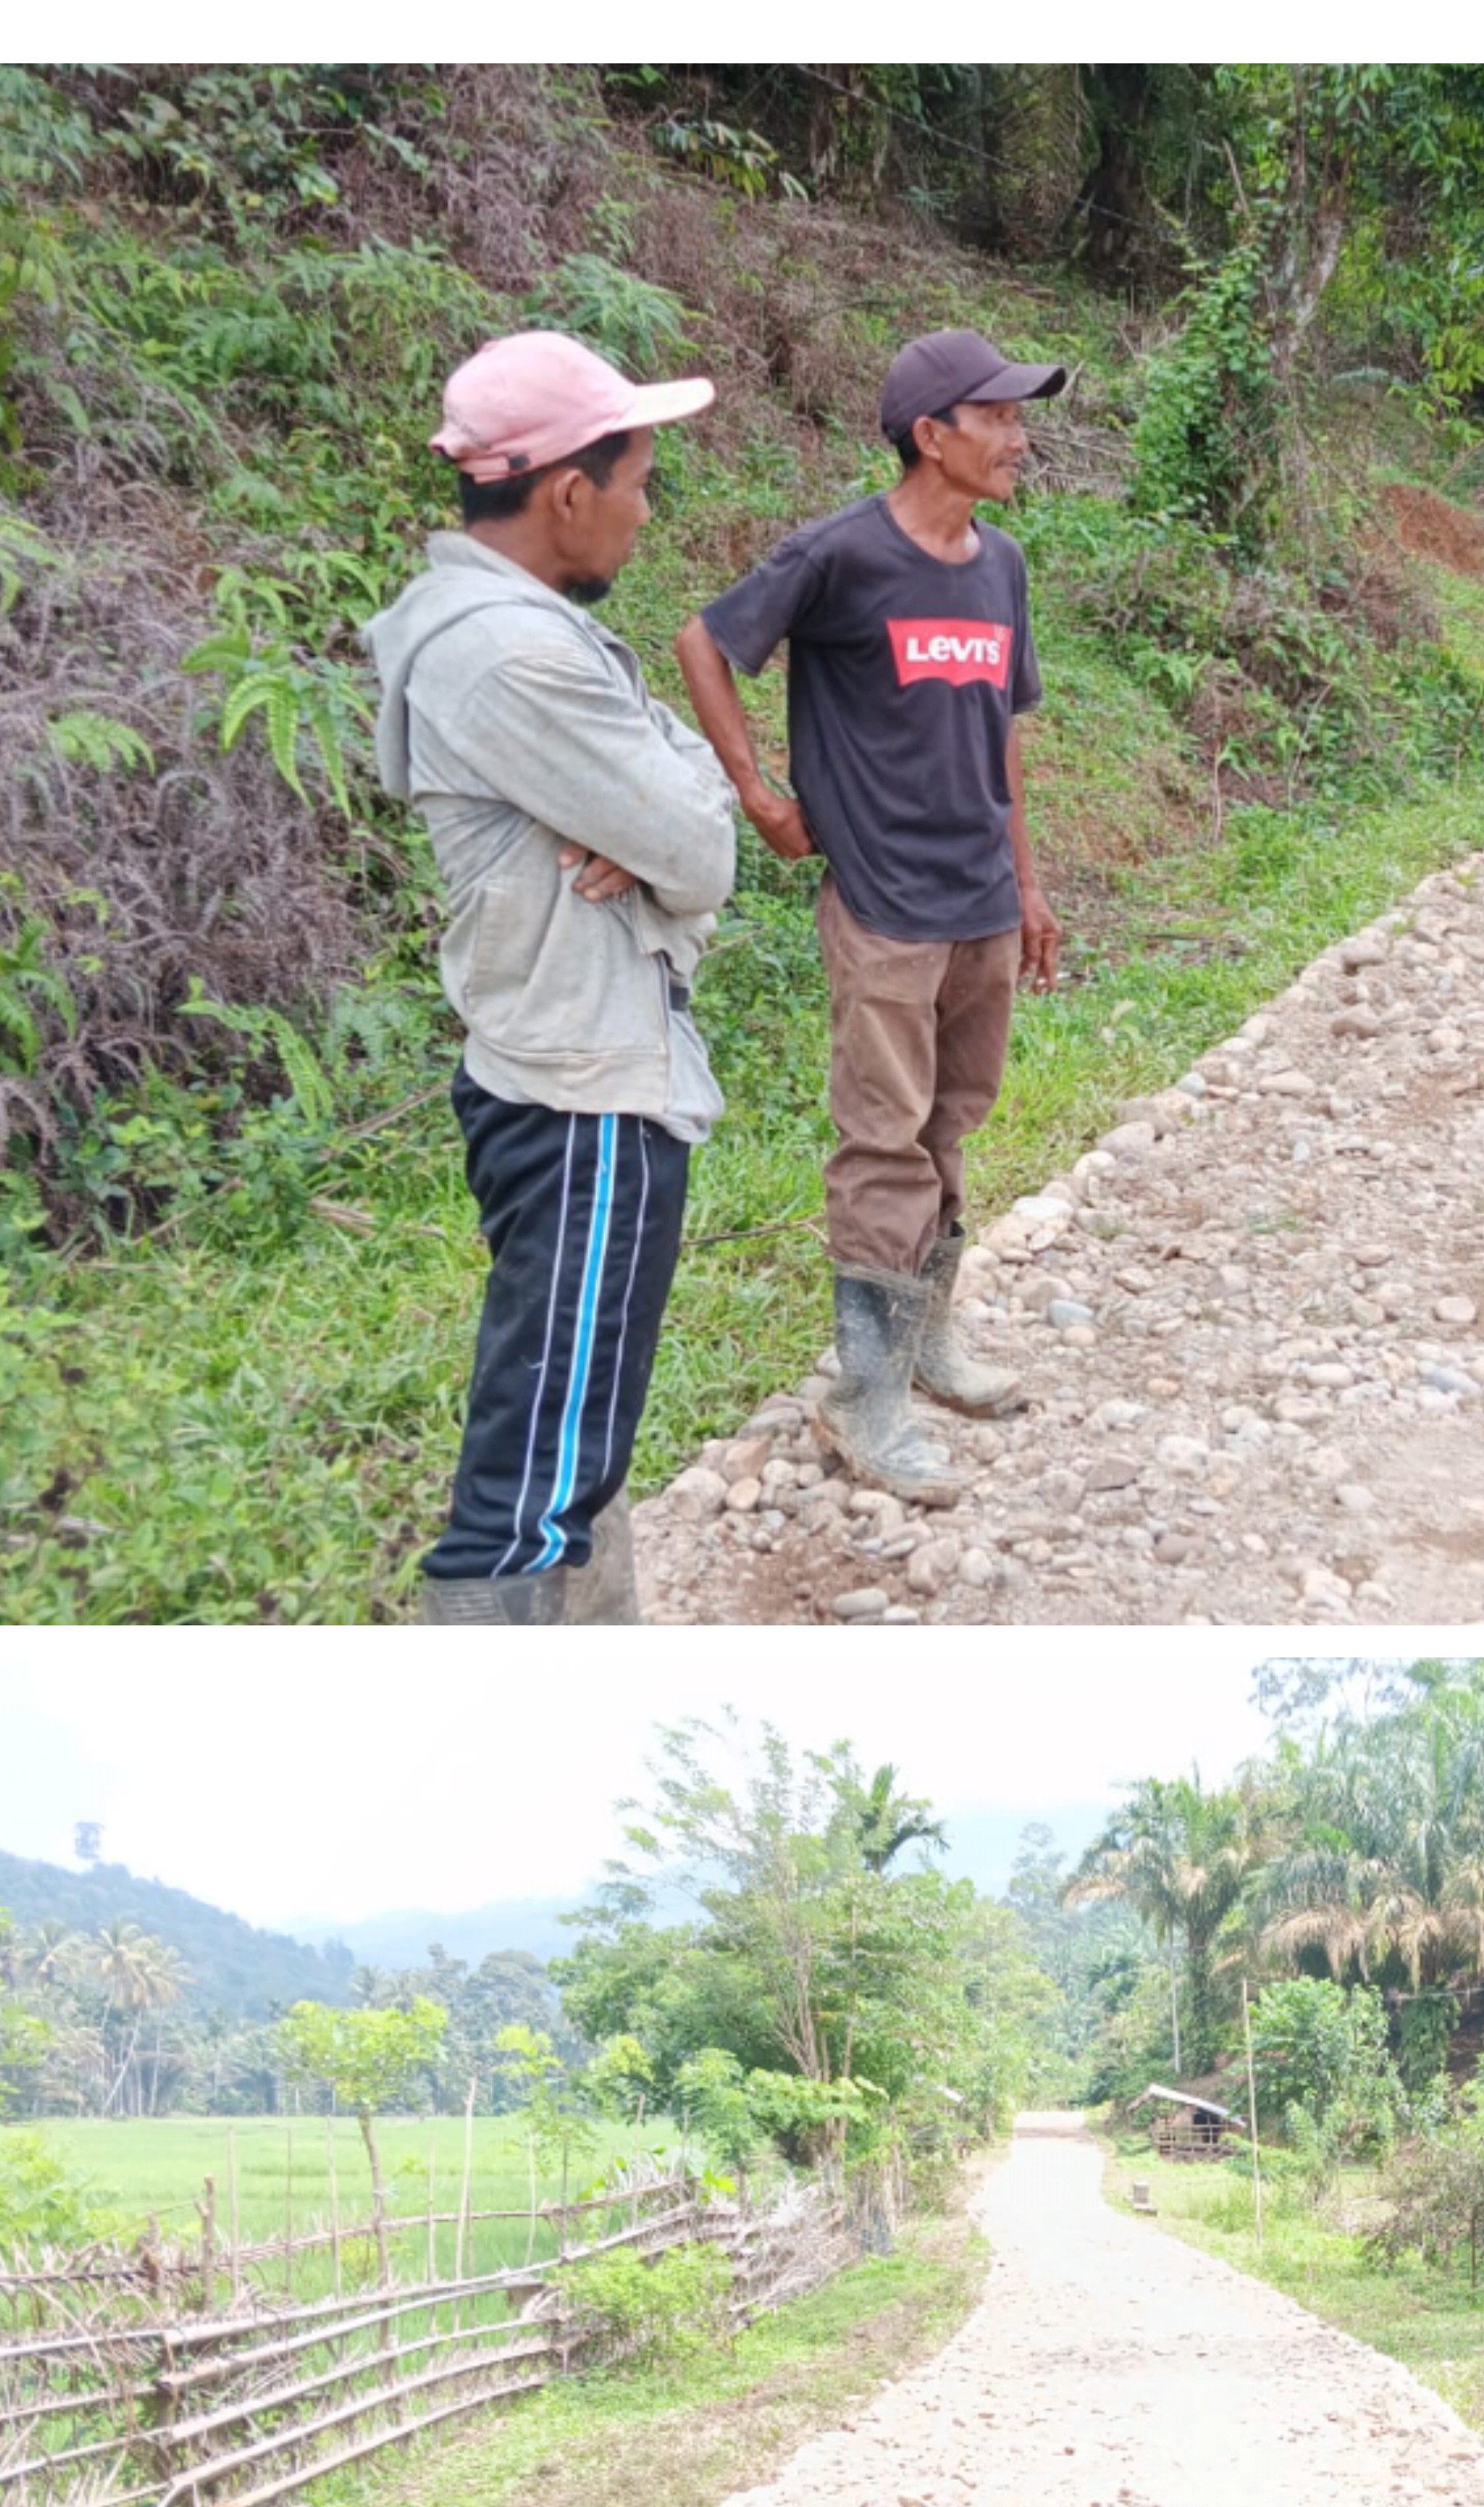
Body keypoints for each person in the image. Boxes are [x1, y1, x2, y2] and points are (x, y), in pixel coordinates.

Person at [365, 329, 739, 1625]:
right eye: (638, 483)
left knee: (571, 1437)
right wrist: (669, 815)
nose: (646, 511)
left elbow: (681, 788)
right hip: (582, 1096)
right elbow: (702, 851)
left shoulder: (511, 629)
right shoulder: (512, 656)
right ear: (569, 491)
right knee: (528, 1492)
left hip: (571, 1066)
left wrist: (663, 799)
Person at [674, 325, 1064, 1506]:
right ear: (930, 435)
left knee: (949, 1124)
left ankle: (926, 1342)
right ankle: (866, 1393)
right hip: (885, 902)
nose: (1019, 438)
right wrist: (758, 794)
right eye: (998, 417)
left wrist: (1028, 885)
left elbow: (1002, 735)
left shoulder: (1000, 566)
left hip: (979, 899)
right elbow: (705, 641)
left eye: (1019, 417)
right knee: (882, 1138)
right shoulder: (841, 554)